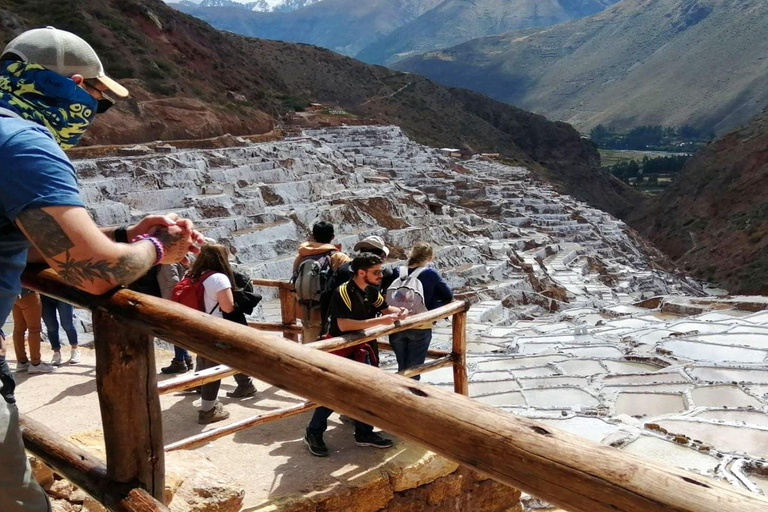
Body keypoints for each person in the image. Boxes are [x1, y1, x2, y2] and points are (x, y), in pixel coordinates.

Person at [0, 27, 203, 511]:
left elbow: (29, 242)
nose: (94, 114)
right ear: (73, 86)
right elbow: (93, 275)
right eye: (98, 99)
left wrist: (116, 239)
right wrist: (158, 247)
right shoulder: (24, 144)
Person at [303, 253, 408, 457]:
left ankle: (364, 432)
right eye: (376, 272)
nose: (380, 275)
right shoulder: (342, 292)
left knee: (366, 390)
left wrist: (400, 311)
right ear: (361, 272)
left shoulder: (370, 290)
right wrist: (379, 322)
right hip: (342, 349)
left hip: (361, 346)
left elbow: (385, 308)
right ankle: (313, 432)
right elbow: (344, 324)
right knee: (336, 393)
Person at [182, 243, 241, 423]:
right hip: (214, 328)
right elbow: (227, 307)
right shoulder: (218, 278)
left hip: (194, 325)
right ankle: (207, 411)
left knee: (206, 359)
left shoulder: (191, 274)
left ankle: (244, 385)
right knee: (213, 368)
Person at [387, 242, 453, 380]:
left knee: (402, 367)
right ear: (429, 258)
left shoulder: (397, 271)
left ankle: (399, 395)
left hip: (397, 324)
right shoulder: (430, 274)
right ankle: (409, 398)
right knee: (414, 370)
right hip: (420, 325)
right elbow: (447, 296)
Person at [291, 221, 350, 342]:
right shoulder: (338, 257)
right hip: (330, 314)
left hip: (307, 312)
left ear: (313, 236)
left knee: (309, 350)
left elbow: (295, 279)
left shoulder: (302, 256)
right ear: (332, 237)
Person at [156, 263, 194, 374]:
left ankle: (179, 362)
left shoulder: (168, 263)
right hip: (176, 301)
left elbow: (173, 281)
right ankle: (186, 358)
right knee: (178, 331)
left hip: (172, 302)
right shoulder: (176, 261)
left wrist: (170, 301)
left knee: (175, 331)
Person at [12, 289, 54, 373]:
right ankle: (36, 363)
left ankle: (21, 362)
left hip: (14, 295)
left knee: (18, 329)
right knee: (34, 330)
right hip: (28, 293)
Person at [41, 296, 80, 365]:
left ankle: (75, 349)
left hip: (63, 293)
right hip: (45, 296)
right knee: (51, 326)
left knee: (67, 324)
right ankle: (56, 352)